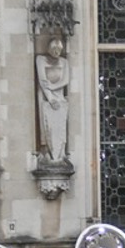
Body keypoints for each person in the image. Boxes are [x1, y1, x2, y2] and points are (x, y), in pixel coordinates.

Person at [36, 36, 70, 164]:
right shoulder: (40, 59)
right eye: (54, 49)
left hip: (60, 98)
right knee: (48, 127)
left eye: (59, 50)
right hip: (46, 98)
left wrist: (53, 87)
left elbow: (65, 80)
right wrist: (50, 98)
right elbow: (42, 80)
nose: (57, 52)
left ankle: (60, 153)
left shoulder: (64, 62)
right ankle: (47, 152)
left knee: (60, 128)